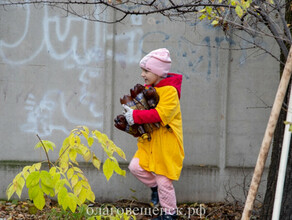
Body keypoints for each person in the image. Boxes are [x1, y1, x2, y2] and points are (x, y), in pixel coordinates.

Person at [122, 48, 184, 220]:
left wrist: (135, 116)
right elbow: (143, 110)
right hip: (150, 142)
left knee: (164, 181)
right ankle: (158, 189)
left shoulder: (170, 92)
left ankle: (170, 215)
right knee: (136, 167)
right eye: (143, 70)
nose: (142, 74)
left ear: (158, 72)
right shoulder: (150, 88)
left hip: (166, 143)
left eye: (146, 70)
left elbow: (160, 115)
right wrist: (130, 113)